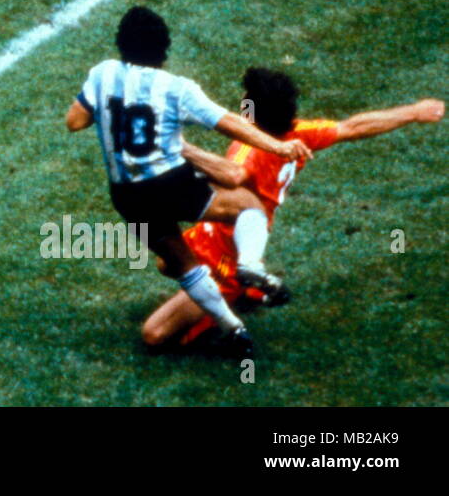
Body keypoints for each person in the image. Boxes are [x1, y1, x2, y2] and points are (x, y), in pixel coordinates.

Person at [65, 6, 312, 356]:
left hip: (127, 194)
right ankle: (250, 266)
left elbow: (74, 121)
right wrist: (277, 145)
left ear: (121, 44)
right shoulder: (175, 88)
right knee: (248, 206)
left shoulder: (103, 74)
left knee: (182, 264)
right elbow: (228, 121)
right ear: (163, 50)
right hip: (169, 182)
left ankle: (233, 328)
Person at [141, 67, 444, 351]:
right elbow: (352, 127)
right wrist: (413, 112)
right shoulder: (299, 135)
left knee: (154, 335)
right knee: (165, 264)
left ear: (254, 112)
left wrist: (177, 147)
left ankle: (228, 303)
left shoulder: (244, 155)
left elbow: (207, 191)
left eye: (246, 102)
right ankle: (250, 289)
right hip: (215, 237)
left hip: (224, 258)